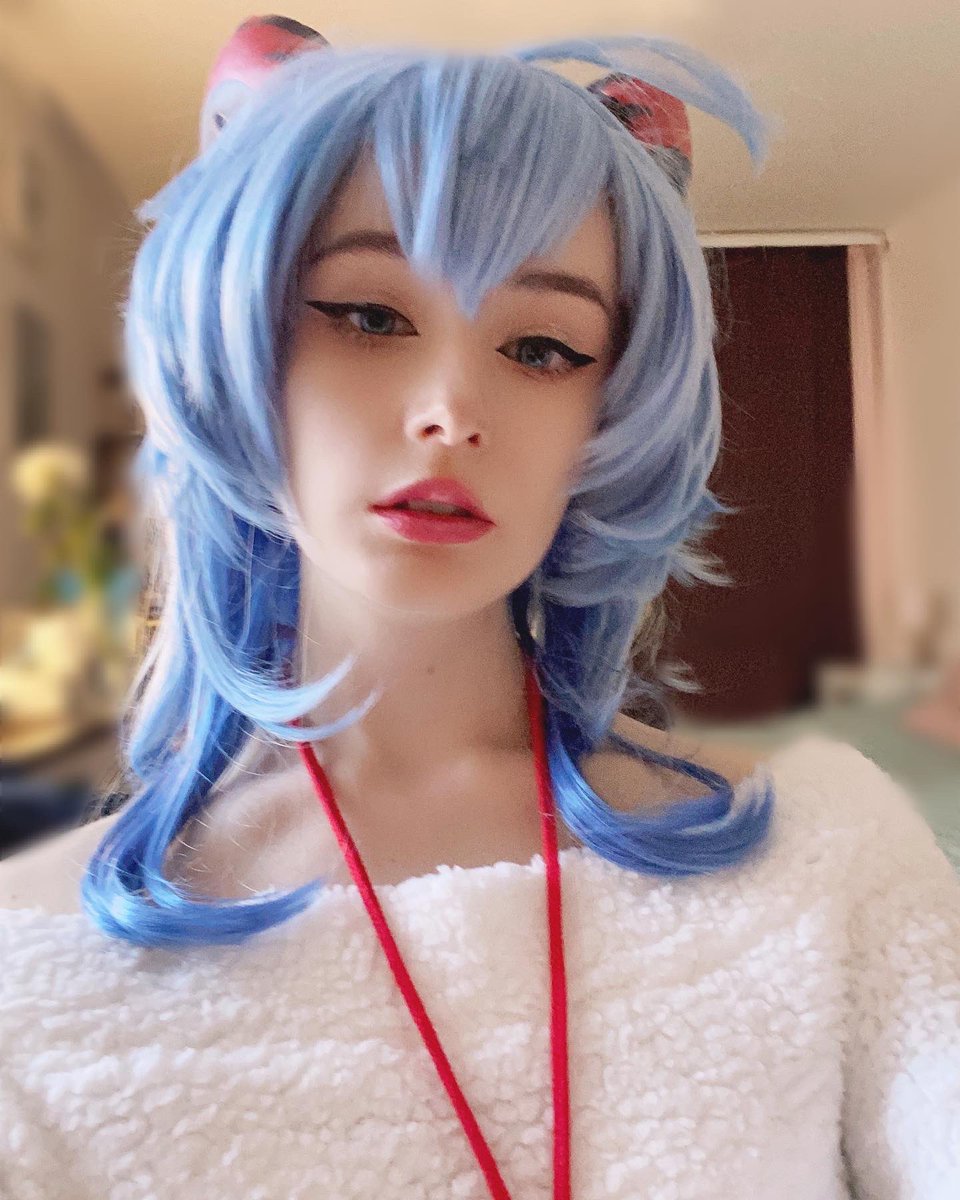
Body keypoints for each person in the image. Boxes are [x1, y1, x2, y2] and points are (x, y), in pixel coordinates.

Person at [1, 22, 958, 1200]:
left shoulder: (819, 854)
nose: (451, 409)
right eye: (368, 316)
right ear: (236, 346)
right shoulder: (32, 975)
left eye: (543, 346)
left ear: (614, 412)